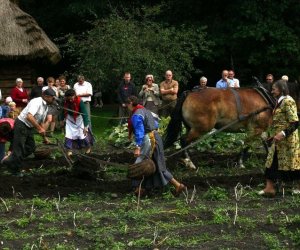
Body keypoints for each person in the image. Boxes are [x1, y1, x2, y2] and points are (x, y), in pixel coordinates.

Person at [126, 95, 186, 197]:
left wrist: (137, 147)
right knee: (157, 164)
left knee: (140, 164)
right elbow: (156, 123)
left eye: (127, 103)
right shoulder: (145, 110)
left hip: (149, 140)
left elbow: (140, 132)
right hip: (156, 137)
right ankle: (176, 185)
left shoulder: (136, 115)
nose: (126, 106)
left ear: (131, 103)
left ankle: (138, 189)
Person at [1, 88, 56, 176]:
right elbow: (29, 116)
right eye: (53, 98)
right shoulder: (36, 102)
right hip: (21, 124)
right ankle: (15, 171)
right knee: (19, 148)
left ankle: (10, 160)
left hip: (29, 127)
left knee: (31, 147)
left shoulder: (45, 106)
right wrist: (39, 129)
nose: (54, 100)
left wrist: (44, 138)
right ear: (46, 96)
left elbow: (40, 122)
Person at [259, 80, 300, 197]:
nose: (272, 91)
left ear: (281, 89)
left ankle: (296, 186)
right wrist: (273, 135)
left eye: (274, 89)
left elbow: (295, 123)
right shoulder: (279, 101)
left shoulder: (288, 101)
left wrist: (282, 133)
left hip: (288, 140)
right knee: (271, 162)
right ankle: (269, 188)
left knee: (293, 164)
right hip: (279, 140)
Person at [63, 89, 94, 156]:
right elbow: (63, 111)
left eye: (72, 98)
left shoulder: (80, 101)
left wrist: (85, 126)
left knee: (82, 134)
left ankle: (88, 148)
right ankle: (69, 151)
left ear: (74, 95)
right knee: (68, 135)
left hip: (79, 119)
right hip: (70, 119)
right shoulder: (65, 101)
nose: (70, 100)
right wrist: (62, 119)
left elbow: (85, 114)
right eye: (69, 99)